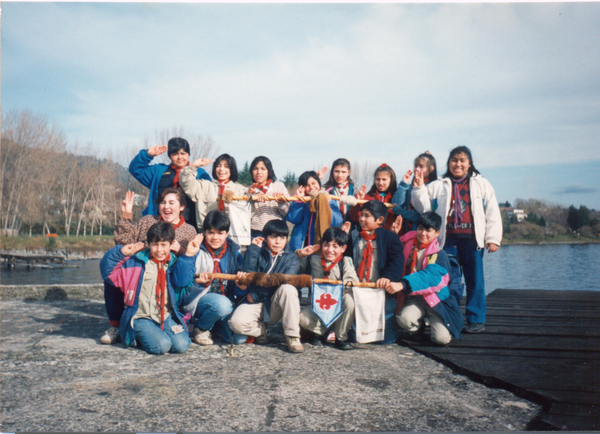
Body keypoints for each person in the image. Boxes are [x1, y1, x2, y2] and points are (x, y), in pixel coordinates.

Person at [411, 146, 502, 333]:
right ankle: (450, 316)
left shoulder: (481, 183)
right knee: (449, 280)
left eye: (462, 160)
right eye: (454, 160)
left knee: (475, 280)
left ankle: (476, 320)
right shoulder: (440, 184)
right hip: (448, 240)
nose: (458, 164)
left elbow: (492, 210)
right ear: (448, 163)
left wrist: (493, 238)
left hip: (472, 240)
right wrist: (419, 187)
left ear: (470, 163)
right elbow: (423, 208)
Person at [100, 188, 197, 345]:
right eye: (163, 202)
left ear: (181, 207)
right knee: (112, 279)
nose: (166, 207)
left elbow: (191, 263)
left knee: (178, 344)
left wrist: (180, 250)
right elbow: (124, 245)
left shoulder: (189, 230)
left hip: (170, 279)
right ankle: (116, 326)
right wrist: (126, 216)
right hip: (141, 272)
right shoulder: (147, 221)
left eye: (171, 203)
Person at [385, 212, 463, 345]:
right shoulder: (407, 244)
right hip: (415, 298)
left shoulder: (440, 254)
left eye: (428, 230)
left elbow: (431, 277)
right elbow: (392, 255)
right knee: (403, 320)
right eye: (420, 228)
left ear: (437, 233)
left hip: (436, 300)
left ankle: (437, 325)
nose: (423, 233)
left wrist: (403, 284)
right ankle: (417, 328)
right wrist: (393, 235)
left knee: (441, 339)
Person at [228, 219, 304, 353]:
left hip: (274, 304)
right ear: (265, 238)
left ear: (287, 239)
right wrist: (253, 250)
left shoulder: (292, 259)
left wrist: (257, 293)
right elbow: (248, 276)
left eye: (282, 237)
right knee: (236, 323)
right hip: (255, 303)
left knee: (288, 288)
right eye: (273, 237)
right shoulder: (257, 252)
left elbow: (283, 281)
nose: (277, 241)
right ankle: (261, 330)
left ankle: (293, 336)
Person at [179, 210, 247, 346]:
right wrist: (198, 284)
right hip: (199, 301)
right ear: (204, 233)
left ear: (227, 234)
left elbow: (235, 291)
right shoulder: (196, 250)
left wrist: (241, 287)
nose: (215, 237)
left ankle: (215, 326)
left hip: (225, 302)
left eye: (220, 233)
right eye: (211, 233)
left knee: (239, 339)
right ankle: (201, 328)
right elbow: (182, 284)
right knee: (222, 304)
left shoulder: (234, 253)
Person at [350, 200, 404, 343]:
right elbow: (347, 260)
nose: (361, 219)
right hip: (359, 291)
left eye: (367, 216)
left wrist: (388, 276)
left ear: (380, 220)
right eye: (361, 215)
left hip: (380, 292)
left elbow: (397, 261)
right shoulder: (354, 236)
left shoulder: (390, 237)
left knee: (386, 339)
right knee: (357, 337)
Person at [297, 227, 359, 350]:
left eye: (335, 246)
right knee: (300, 318)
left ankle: (341, 337)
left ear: (343, 248)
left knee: (349, 299)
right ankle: (321, 332)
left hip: (337, 306)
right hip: (316, 305)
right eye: (326, 245)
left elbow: (353, 282)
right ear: (321, 245)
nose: (330, 250)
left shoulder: (346, 261)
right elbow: (294, 269)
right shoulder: (312, 259)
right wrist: (300, 254)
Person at [128, 137, 211, 228]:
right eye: (175, 154)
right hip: (160, 225)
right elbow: (135, 169)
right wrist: (148, 155)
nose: (180, 157)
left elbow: (210, 196)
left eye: (183, 153)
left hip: (192, 225)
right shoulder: (158, 171)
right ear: (169, 156)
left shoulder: (200, 174)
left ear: (188, 154)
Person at [179, 153, 251, 246]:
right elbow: (186, 182)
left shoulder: (241, 190)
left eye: (226, 166)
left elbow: (248, 213)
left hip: (233, 239)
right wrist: (193, 166)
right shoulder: (204, 186)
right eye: (218, 166)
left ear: (232, 169)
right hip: (207, 238)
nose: (221, 169)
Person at [286, 170, 343, 252]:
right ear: (302, 188)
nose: (311, 187)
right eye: (307, 185)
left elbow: (337, 221)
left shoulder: (329, 199)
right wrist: (299, 201)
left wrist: (325, 203)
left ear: (319, 184)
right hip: (301, 245)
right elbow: (293, 218)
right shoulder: (301, 201)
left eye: (313, 183)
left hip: (320, 245)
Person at [392, 152, 438, 235]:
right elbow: (396, 204)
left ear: (431, 169)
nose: (417, 169)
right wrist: (404, 185)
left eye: (421, 166)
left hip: (423, 233)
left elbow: (421, 214)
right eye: (416, 166)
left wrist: (400, 212)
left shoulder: (433, 187)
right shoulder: (411, 187)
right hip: (407, 232)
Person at [247, 156, 290, 239]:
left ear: (269, 171)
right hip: (255, 233)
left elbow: (286, 213)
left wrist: (281, 203)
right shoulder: (249, 189)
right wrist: (250, 198)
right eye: (255, 169)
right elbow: (245, 215)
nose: (259, 172)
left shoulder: (279, 186)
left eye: (263, 169)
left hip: (276, 232)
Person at [350, 163, 398, 230]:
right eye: (378, 179)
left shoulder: (397, 198)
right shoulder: (367, 198)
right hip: (370, 236)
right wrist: (358, 202)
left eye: (384, 179)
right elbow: (354, 217)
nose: (380, 183)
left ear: (391, 180)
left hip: (390, 235)